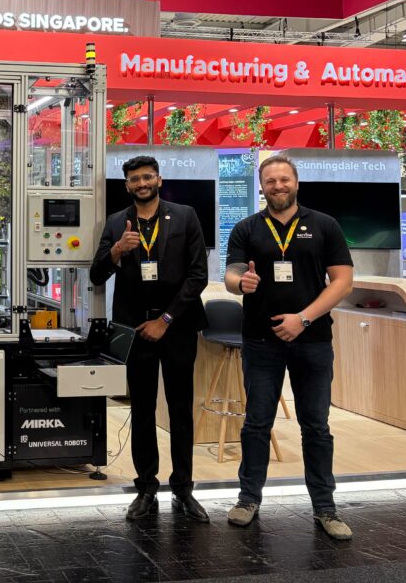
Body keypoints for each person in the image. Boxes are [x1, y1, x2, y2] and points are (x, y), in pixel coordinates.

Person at [224, 154, 354, 540]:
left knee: (316, 426)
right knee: (256, 424)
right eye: (270, 181)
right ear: (261, 187)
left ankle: (325, 508)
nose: (277, 186)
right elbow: (232, 273)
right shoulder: (247, 228)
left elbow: (342, 281)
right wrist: (238, 284)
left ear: (296, 182)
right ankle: (248, 499)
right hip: (261, 341)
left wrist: (304, 319)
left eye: (284, 179)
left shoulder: (324, 225)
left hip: (312, 340)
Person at [90, 155, 210, 523]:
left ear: (158, 179)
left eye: (147, 177)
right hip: (135, 331)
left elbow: (198, 275)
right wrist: (116, 251)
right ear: (126, 185)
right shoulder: (116, 223)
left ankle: (184, 489)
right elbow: (96, 275)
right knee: (141, 410)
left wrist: (166, 319)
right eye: (134, 179)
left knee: (180, 410)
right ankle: (146, 488)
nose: (141, 183)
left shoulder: (185, 215)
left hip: (177, 327)